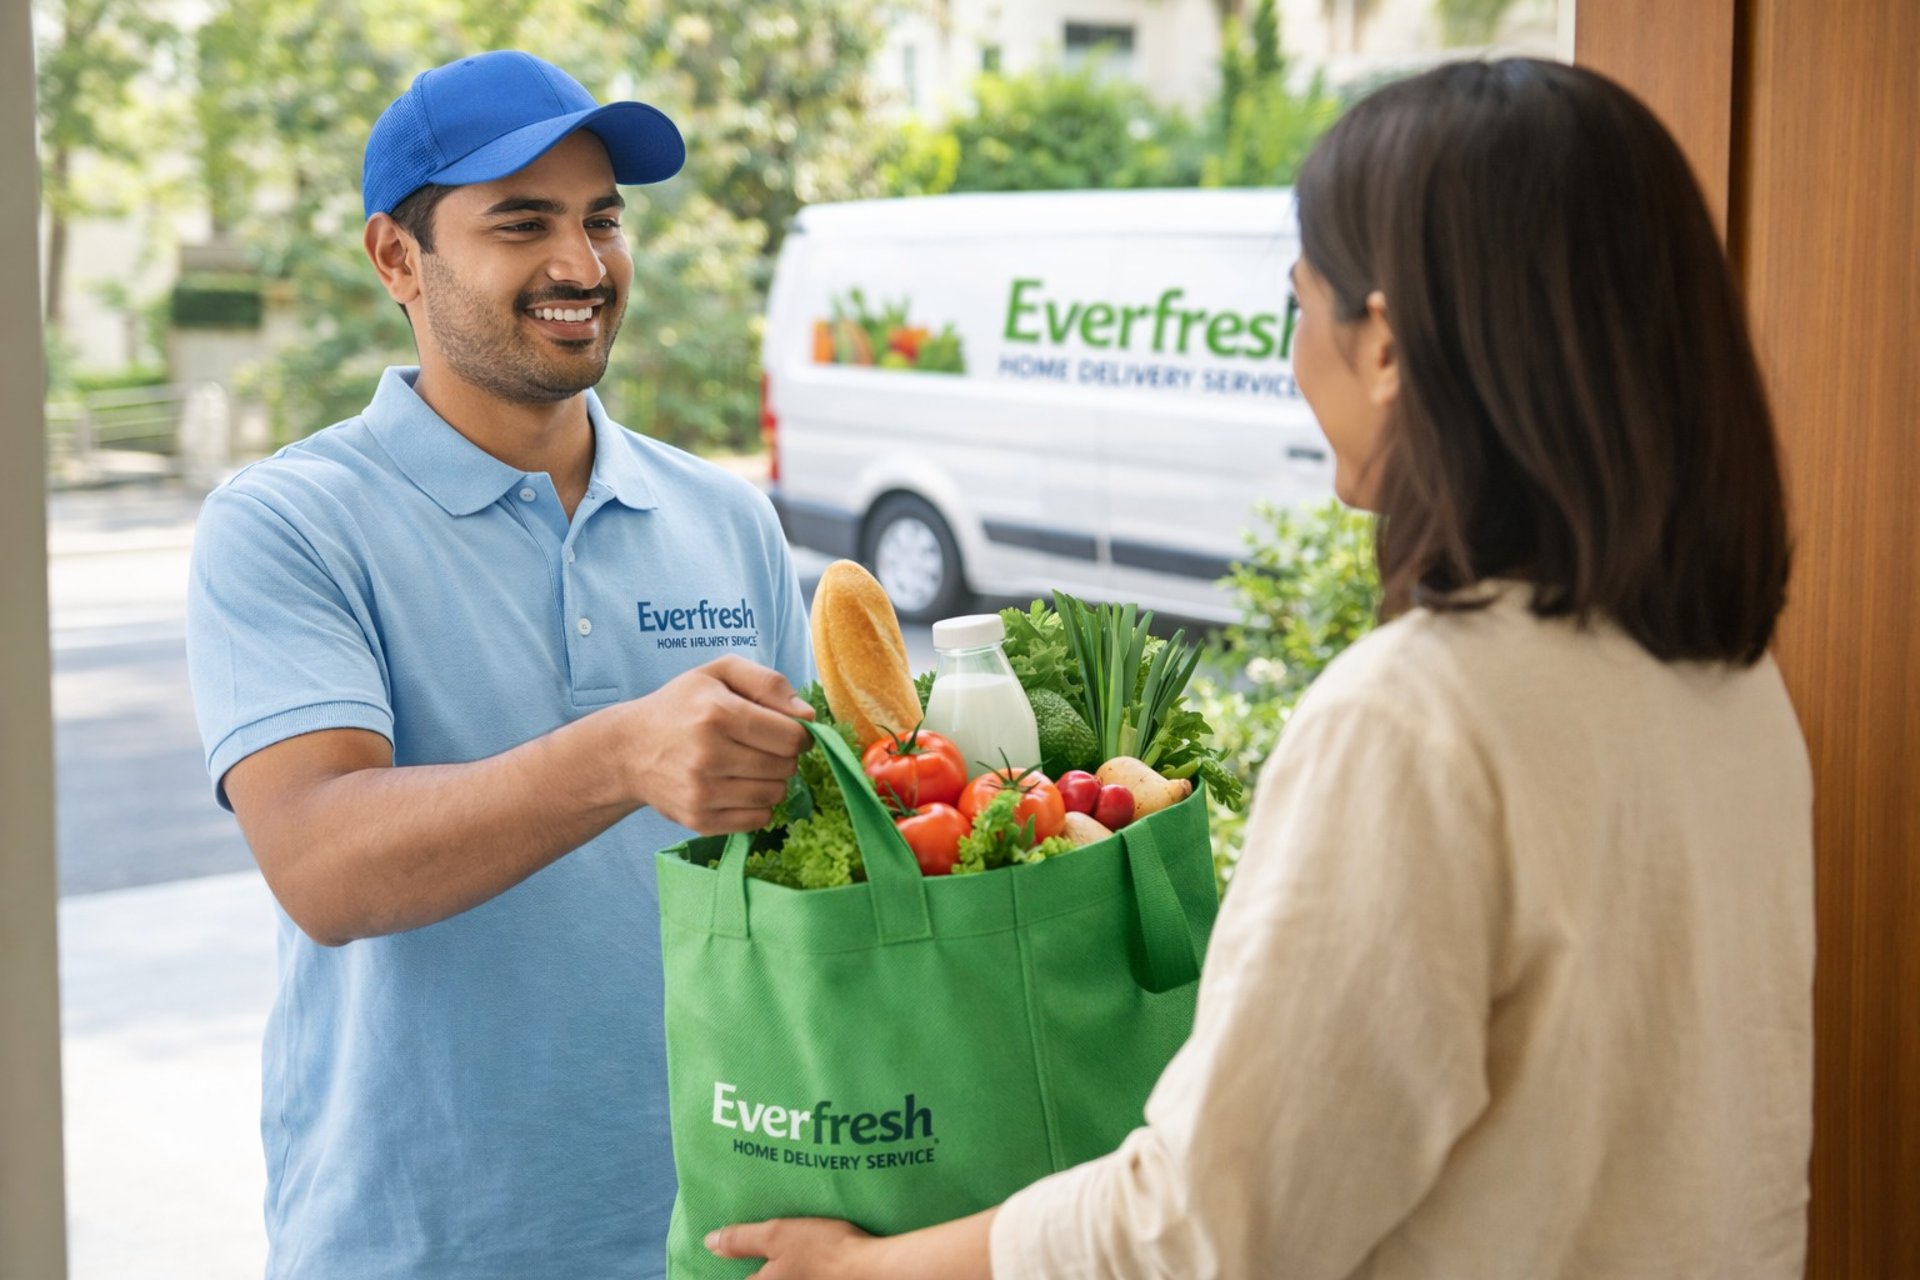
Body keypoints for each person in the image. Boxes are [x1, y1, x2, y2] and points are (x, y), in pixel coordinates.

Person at [707, 57, 1813, 1280]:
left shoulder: (1417, 717)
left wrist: (869, 1268)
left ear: (1383, 346)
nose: (1295, 358)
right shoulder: (1729, 681)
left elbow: (1215, 1224)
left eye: (1301, 305)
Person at [185, 50, 815, 1278]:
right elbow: (322, 863)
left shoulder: (726, 518)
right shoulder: (289, 524)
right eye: (523, 223)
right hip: (419, 1242)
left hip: (719, 1225)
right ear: (397, 258)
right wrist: (621, 753)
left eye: (602, 220)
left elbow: (808, 880)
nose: (581, 265)